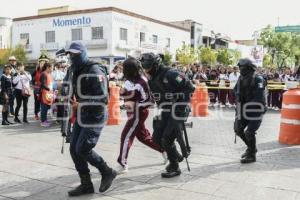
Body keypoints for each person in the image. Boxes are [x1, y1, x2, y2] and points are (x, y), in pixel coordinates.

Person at [65, 42, 117, 197]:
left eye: (75, 54)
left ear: (82, 54)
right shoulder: (75, 69)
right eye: (70, 55)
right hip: (82, 114)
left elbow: (103, 99)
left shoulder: (94, 70)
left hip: (95, 115)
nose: (72, 57)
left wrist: (80, 104)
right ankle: (86, 184)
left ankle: (107, 171)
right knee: (74, 149)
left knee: (83, 148)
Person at [140, 53, 195, 178]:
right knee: (156, 139)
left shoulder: (170, 73)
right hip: (165, 110)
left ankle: (174, 166)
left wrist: (177, 98)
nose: (146, 70)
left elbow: (190, 88)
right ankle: (176, 156)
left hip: (178, 110)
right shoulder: (151, 78)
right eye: (145, 68)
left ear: (155, 65)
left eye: (148, 67)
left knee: (167, 139)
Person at [116, 57, 165, 174]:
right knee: (143, 137)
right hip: (131, 112)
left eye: (124, 68)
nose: (122, 70)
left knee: (126, 136)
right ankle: (164, 150)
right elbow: (126, 95)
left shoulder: (142, 82)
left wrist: (134, 105)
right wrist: (122, 97)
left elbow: (150, 101)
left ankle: (122, 163)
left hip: (139, 113)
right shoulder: (128, 80)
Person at [234, 58, 267, 164]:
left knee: (249, 132)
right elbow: (235, 91)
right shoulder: (241, 79)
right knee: (238, 129)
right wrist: (238, 107)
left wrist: (244, 107)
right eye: (240, 67)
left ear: (249, 68)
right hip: (244, 109)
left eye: (242, 67)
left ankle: (252, 155)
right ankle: (251, 148)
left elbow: (258, 98)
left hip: (256, 110)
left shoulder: (258, 79)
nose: (240, 69)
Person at [32, 55, 49, 120]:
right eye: (41, 62)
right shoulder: (36, 71)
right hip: (37, 89)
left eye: (44, 62)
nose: (42, 63)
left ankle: (43, 115)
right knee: (37, 102)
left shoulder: (47, 71)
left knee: (44, 102)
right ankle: (36, 114)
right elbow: (32, 79)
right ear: (39, 63)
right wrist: (34, 84)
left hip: (45, 89)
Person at [40, 62, 54, 127]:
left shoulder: (49, 74)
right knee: (44, 108)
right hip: (44, 93)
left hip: (49, 93)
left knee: (47, 107)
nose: (52, 69)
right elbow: (43, 84)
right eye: (52, 68)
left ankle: (45, 120)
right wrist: (49, 89)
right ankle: (43, 121)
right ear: (48, 67)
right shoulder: (43, 74)